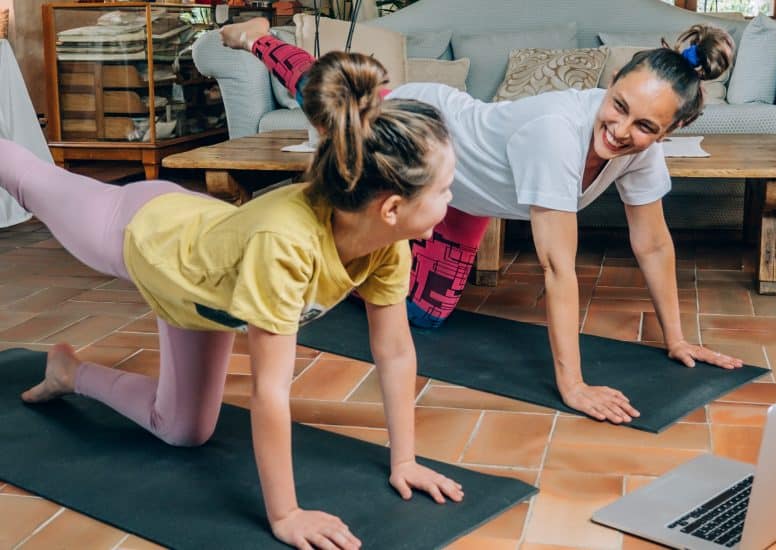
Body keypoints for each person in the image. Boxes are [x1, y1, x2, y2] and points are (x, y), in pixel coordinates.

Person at [1, 50, 463, 550]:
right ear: (392, 207)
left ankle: (67, 374)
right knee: (30, 181)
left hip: (203, 286)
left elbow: (393, 352)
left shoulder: (386, 246)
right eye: (445, 189)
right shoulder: (284, 245)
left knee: (183, 431)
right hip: (136, 230)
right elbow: (270, 390)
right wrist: (286, 514)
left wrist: (406, 460)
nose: (451, 200)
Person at [221, 19, 745, 427]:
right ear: (609, 84)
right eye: (618, 106)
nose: (621, 130)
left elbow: (652, 243)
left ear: (671, 129)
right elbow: (559, 270)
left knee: (425, 317)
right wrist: (574, 386)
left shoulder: (641, 148)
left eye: (645, 126)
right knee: (330, 95)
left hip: (470, 200)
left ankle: (366, 275)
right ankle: (263, 41)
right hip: (428, 131)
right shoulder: (555, 134)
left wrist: (676, 338)